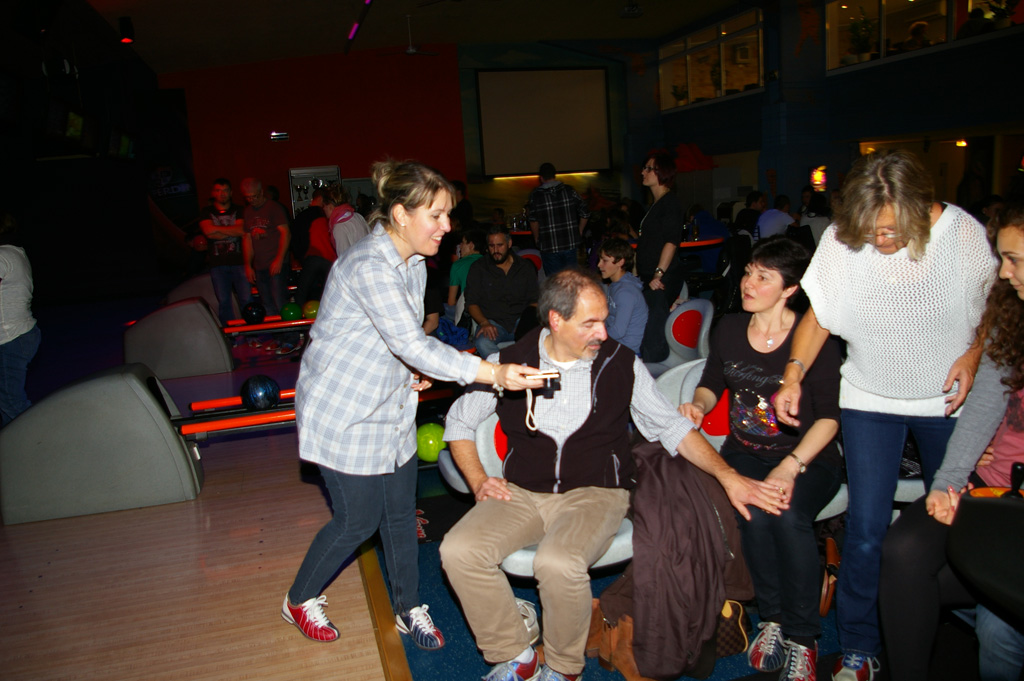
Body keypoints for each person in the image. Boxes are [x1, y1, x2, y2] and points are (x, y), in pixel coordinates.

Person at [439, 268, 788, 681]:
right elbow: (459, 422)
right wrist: (479, 480)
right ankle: (516, 654)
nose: (603, 333)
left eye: (605, 320)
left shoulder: (622, 364)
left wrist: (729, 478)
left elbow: (671, 428)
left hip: (595, 492)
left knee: (558, 562)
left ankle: (563, 668)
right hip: (522, 491)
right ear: (556, 320)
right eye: (590, 323)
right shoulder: (508, 363)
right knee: (458, 550)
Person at [282, 160, 543, 647]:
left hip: (392, 403)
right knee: (357, 521)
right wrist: (494, 372)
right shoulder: (368, 266)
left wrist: (411, 371)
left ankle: (408, 607)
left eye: (448, 215)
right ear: (401, 215)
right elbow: (410, 342)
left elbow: (397, 340)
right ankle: (299, 598)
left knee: (401, 513)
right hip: (344, 411)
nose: (447, 226)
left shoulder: (416, 263)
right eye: (436, 215)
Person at [772, 149, 997, 681]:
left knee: (953, 521)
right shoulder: (842, 238)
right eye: (872, 229)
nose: (881, 239)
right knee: (867, 528)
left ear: (919, 207)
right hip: (869, 398)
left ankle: (968, 622)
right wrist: (793, 373)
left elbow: (994, 307)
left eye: (892, 229)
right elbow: (819, 315)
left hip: (945, 400)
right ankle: (860, 646)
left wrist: (972, 353)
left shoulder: (960, 234)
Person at [681, 236, 842, 681]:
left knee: (787, 516)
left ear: (790, 289)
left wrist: (790, 468)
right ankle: (772, 618)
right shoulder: (731, 327)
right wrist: (698, 404)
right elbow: (712, 380)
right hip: (746, 450)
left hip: (808, 456)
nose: (748, 283)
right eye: (749, 272)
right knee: (752, 509)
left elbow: (830, 418)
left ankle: (803, 637)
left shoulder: (814, 339)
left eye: (763, 277)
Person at [880, 201, 1024, 681]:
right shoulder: (1013, 316)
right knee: (902, 553)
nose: (1003, 273)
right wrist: (949, 480)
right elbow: (985, 402)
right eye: (1002, 258)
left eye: (1014, 260)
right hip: (993, 487)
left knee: (991, 623)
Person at [635, 151, 685, 362]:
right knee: (648, 325)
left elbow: (671, 241)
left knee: (653, 332)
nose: (643, 172)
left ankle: (656, 370)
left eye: (648, 168)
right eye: (644, 168)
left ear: (661, 173)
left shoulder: (670, 203)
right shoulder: (657, 204)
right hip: (650, 276)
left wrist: (658, 273)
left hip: (662, 277)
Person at [464, 225, 539, 357]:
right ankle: (504, 366)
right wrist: (484, 323)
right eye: (491, 246)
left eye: (500, 245)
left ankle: (520, 364)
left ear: (509, 244)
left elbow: (535, 300)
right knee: (482, 342)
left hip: (521, 320)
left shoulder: (524, 267)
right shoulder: (479, 268)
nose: (495, 250)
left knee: (542, 337)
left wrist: (526, 322)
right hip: (493, 322)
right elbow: (471, 303)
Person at [0, 212, 40, 428]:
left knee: (11, 403)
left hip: (10, 338)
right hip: (19, 335)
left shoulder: (2, 255)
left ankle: (40, 440)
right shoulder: (14, 252)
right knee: (6, 403)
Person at [199, 178, 251, 324]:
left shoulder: (240, 210)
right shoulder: (206, 211)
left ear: (231, 192)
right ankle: (231, 332)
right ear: (213, 193)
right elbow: (208, 232)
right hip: (217, 264)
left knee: (246, 299)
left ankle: (252, 331)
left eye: (225, 190)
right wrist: (231, 231)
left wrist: (217, 230)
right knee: (224, 301)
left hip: (240, 262)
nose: (222, 194)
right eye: (218, 190)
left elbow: (241, 230)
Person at [527, 162, 590, 275]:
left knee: (554, 281)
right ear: (554, 175)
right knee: (571, 279)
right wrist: (579, 230)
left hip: (548, 244)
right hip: (570, 242)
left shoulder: (536, 195)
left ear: (541, 178)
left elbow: (533, 220)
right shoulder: (569, 191)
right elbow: (585, 212)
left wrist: (536, 238)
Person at [241, 177, 291, 316]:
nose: (251, 200)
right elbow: (247, 239)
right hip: (260, 265)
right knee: (267, 303)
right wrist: (248, 265)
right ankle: (275, 329)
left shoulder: (274, 208)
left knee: (279, 301)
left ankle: (288, 329)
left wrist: (279, 259)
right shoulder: (248, 212)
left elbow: (286, 233)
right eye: (248, 198)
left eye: (254, 196)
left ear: (261, 192)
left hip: (275, 262)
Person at [596, 237, 647, 355]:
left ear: (620, 262)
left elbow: (618, 331)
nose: (599, 265)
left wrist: (593, 336)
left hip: (626, 351)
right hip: (617, 345)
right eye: (600, 259)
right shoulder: (616, 285)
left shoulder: (626, 293)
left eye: (604, 261)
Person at [293, 188, 336, 307]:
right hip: (328, 259)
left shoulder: (301, 216)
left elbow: (295, 239)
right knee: (328, 293)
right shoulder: (327, 216)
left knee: (302, 293)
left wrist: (301, 258)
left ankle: (299, 315)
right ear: (322, 200)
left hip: (311, 258)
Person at [446, 227, 485, 318]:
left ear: (471, 245)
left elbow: (451, 302)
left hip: (468, 312)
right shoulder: (490, 262)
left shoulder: (458, 265)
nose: (460, 247)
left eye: (463, 243)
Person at [325, 183, 371, 257]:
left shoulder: (339, 227)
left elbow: (344, 258)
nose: (324, 209)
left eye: (324, 206)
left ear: (330, 206)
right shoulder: (358, 216)